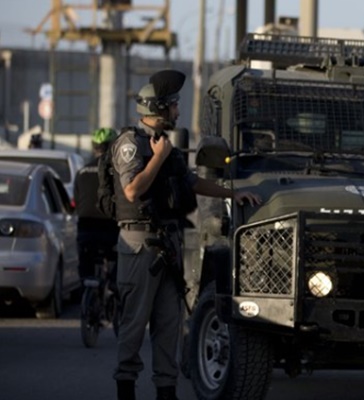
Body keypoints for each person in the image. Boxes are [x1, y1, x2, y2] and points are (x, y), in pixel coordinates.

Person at [112, 69, 261, 400]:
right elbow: (133, 190)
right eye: (174, 105)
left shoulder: (166, 146)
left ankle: (166, 392)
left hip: (167, 244)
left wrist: (233, 194)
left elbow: (192, 182)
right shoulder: (130, 144)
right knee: (133, 327)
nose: (178, 111)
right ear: (158, 108)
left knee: (169, 326)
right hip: (139, 245)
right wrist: (158, 158)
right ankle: (126, 389)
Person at [74, 127, 120, 287]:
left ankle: (86, 289)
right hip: (111, 230)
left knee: (86, 264)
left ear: (94, 148)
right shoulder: (117, 172)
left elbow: (77, 201)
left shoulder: (82, 172)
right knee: (120, 262)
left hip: (85, 230)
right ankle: (113, 289)